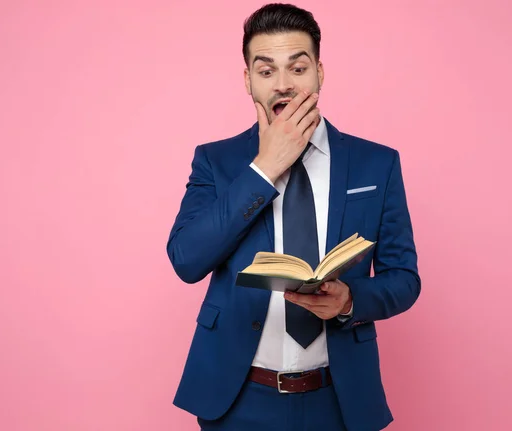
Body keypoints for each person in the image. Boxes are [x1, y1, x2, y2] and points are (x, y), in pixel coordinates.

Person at [166, 3, 421, 430]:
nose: (283, 85)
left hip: (339, 400)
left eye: (298, 69)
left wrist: (350, 301)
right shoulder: (216, 161)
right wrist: (265, 168)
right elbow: (186, 260)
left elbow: (405, 279)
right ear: (247, 80)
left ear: (320, 72)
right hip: (237, 399)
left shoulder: (377, 164)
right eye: (266, 72)